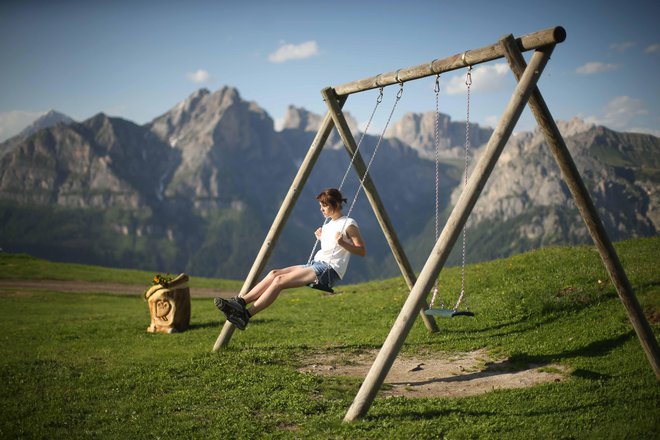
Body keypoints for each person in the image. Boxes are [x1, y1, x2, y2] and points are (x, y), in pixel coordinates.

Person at [214, 188, 366, 330]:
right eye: (321, 205)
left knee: (279, 281)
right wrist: (322, 238)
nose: (321, 209)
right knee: (274, 273)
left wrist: (343, 243)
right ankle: (240, 302)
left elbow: (361, 251)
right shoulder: (328, 225)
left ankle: (246, 315)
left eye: (324, 206)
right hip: (316, 264)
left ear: (337, 204)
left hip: (329, 270)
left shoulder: (349, 224)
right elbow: (331, 249)